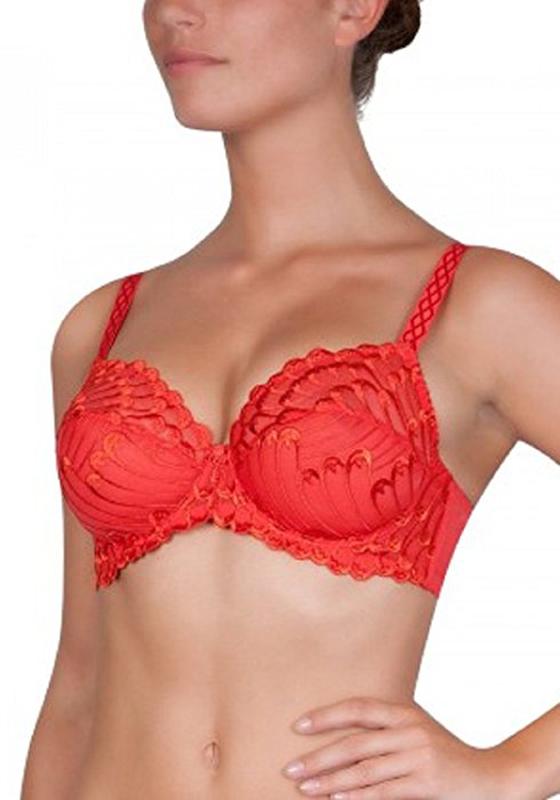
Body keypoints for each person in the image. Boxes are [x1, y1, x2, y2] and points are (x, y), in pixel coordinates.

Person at [22, 1, 560, 798]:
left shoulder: (478, 304)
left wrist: (513, 771)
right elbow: (78, 681)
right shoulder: (101, 325)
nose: (176, 13)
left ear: (352, 9)